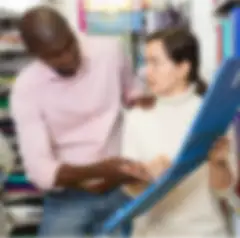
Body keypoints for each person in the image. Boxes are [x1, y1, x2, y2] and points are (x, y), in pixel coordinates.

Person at [10, 7, 151, 238]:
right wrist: (95, 172)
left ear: (71, 30)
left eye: (70, 45)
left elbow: (133, 94)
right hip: (68, 195)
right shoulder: (26, 89)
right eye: (55, 55)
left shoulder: (110, 51)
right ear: (35, 54)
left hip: (122, 187)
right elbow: (39, 170)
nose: (68, 58)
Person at [121, 28, 236, 238]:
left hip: (206, 232)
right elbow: (130, 191)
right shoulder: (137, 116)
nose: (147, 71)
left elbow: (225, 193)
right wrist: (145, 174)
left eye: (155, 63)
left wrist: (219, 164)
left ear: (183, 68)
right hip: (152, 233)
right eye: (145, 62)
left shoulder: (212, 112)